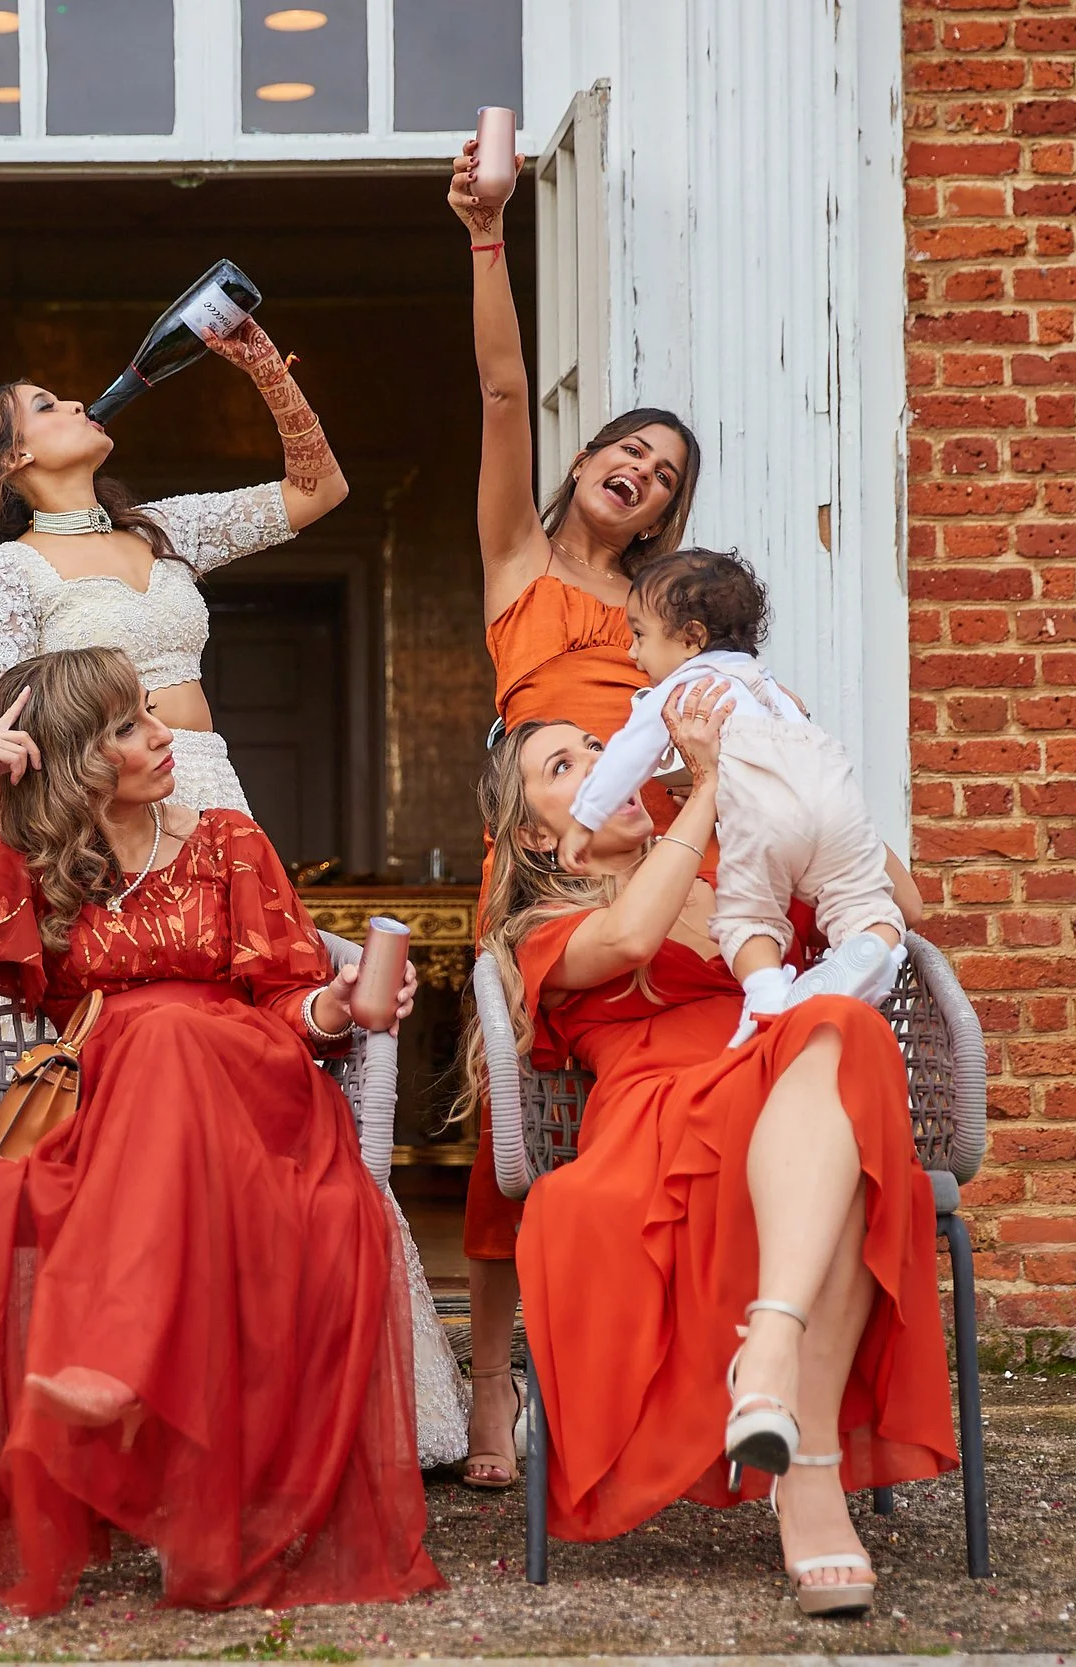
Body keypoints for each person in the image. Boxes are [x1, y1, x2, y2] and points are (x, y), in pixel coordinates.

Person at [0, 647, 443, 1615]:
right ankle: (164, 1442)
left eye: (151, 714)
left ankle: (115, 1363)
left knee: (176, 1029)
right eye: (125, 727)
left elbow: (283, 997)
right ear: (67, 759)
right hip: (121, 1107)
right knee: (152, 1038)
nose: (162, 737)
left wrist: (340, 1006)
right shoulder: (28, 870)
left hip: (255, 1092)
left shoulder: (227, 837)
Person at [472, 689, 953, 1619]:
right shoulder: (538, 932)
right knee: (843, 1097)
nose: (599, 764)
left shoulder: (741, 861)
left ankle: (769, 1355)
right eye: (564, 768)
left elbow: (905, 900)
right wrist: (704, 788)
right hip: (663, 1110)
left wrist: (798, 758)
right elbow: (634, 935)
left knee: (842, 1031)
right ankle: (807, 1479)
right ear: (539, 839)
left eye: (599, 747)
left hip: (789, 1087)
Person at [448, 125, 705, 1490]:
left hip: (657, 865)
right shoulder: (520, 563)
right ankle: (494, 1401)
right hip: (540, 869)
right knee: (515, 1130)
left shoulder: (671, 621)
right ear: (588, 457)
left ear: (668, 517)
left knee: (649, 1110)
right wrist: (488, 230)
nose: (640, 470)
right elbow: (501, 393)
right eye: (626, 447)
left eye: (664, 473)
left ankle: (635, 1377)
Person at [0, 312, 344, 816]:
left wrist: (270, 375)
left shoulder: (160, 527)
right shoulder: (10, 570)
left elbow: (319, 491)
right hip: (103, 813)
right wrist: (18, 885)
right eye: (47, 406)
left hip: (214, 790)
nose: (77, 404)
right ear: (12, 457)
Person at [565, 548, 910, 1040]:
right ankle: (873, 948)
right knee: (859, 899)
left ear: (691, 639)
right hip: (834, 790)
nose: (632, 653)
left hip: (766, 809)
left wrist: (585, 817)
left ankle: (768, 992)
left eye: (639, 635)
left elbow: (628, 754)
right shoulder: (768, 687)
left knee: (748, 914)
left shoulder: (683, 684)